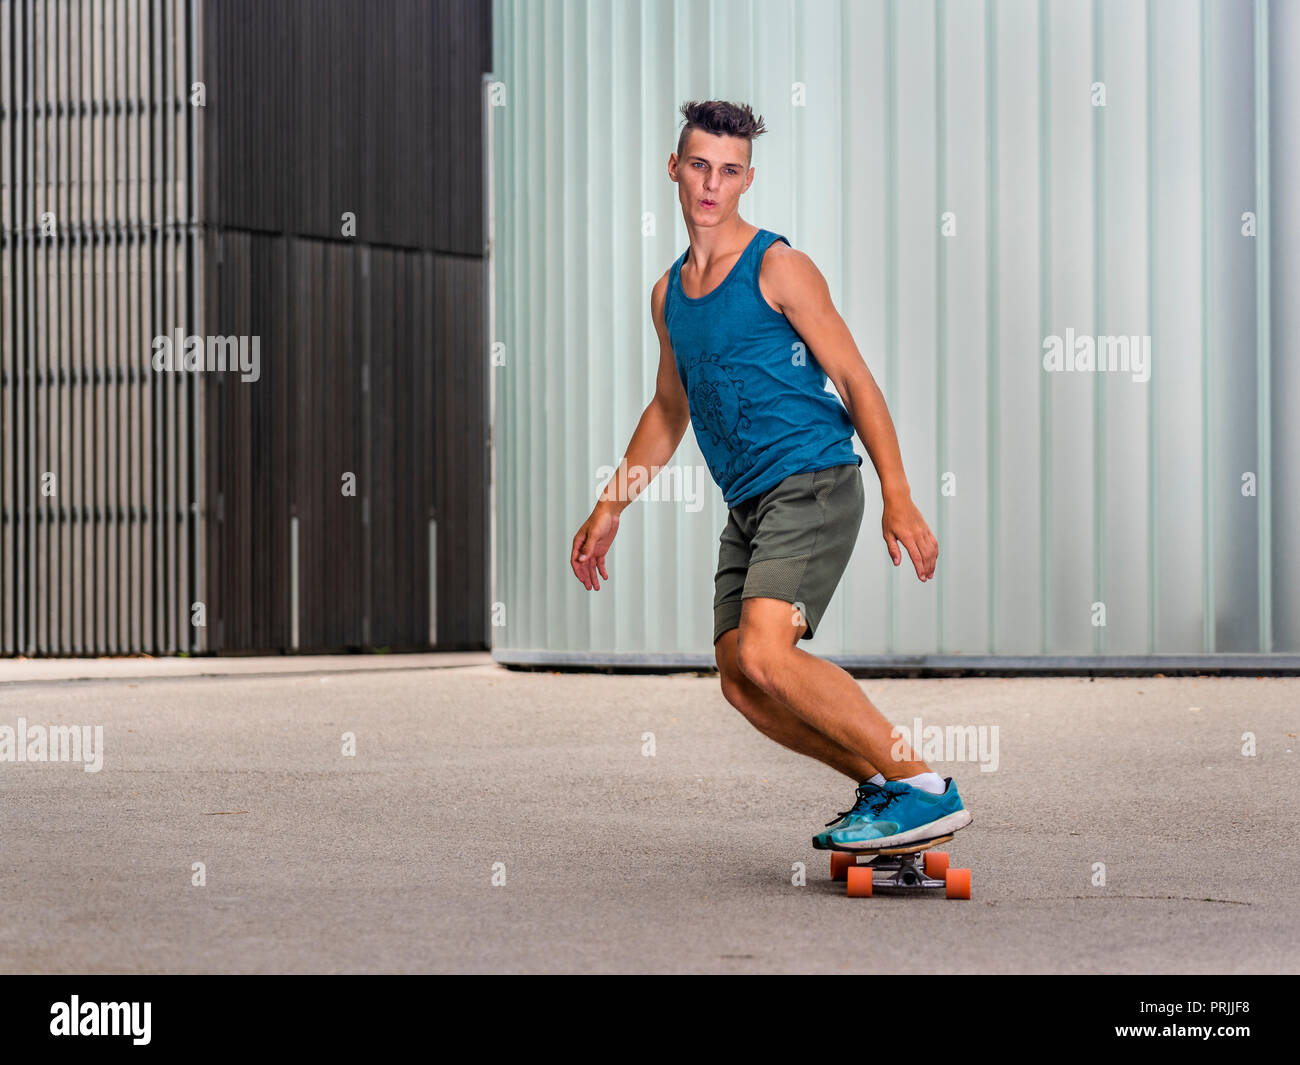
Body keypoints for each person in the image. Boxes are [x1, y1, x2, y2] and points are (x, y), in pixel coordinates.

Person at [570, 99, 971, 852]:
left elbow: (855, 379)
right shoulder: (668, 296)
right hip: (749, 499)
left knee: (764, 649)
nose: (710, 184)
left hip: (813, 478)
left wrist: (901, 496)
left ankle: (922, 786)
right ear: (674, 169)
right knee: (739, 676)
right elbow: (667, 409)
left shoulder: (778, 265)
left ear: (747, 179)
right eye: (698, 165)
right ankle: (883, 787)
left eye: (728, 170)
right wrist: (610, 504)